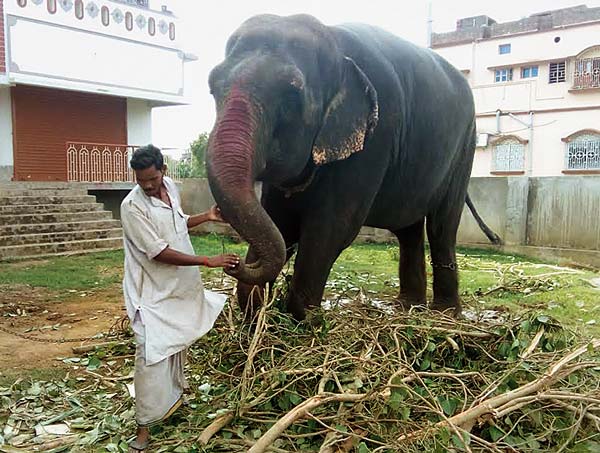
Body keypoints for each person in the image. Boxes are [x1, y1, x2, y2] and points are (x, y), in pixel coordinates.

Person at [120, 144, 239, 452]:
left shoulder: (170, 188)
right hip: (149, 290)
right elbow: (158, 251)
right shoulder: (132, 206)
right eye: (140, 180)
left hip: (177, 285)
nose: (147, 185)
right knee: (150, 351)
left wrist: (206, 216)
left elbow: (176, 223)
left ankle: (173, 403)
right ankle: (143, 427)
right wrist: (206, 261)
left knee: (176, 344)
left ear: (163, 171)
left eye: (152, 179)